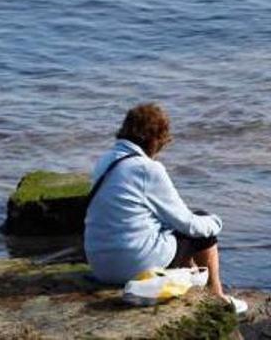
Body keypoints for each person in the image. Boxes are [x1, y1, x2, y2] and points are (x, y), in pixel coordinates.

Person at [84, 103, 247, 313]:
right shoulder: (147, 169)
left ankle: (194, 284)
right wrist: (217, 223)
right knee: (202, 228)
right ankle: (217, 296)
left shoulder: (105, 160)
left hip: (100, 265)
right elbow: (188, 223)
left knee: (171, 231)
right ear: (154, 140)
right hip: (131, 266)